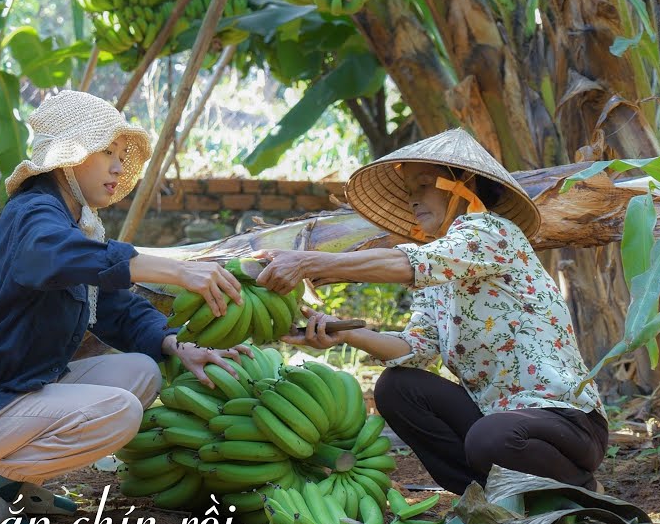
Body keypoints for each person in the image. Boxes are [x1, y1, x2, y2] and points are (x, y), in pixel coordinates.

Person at [0, 90, 248, 524]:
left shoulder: (76, 224)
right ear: (68, 158)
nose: (118, 166)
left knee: (143, 372)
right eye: (106, 151)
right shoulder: (33, 214)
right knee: (120, 412)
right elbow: (55, 254)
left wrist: (177, 344)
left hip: (15, 395)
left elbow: (117, 309)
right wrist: (178, 271)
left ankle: (8, 485)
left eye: (121, 155)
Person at [254, 128, 607, 495]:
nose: (413, 200)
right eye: (409, 192)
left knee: (490, 438)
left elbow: (413, 262)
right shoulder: (440, 277)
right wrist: (342, 333)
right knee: (397, 387)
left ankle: (579, 489)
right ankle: (494, 497)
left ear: (463, 183)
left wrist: (309, 262)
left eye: (422, 186)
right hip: (497, 420)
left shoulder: (491, 231)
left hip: (565, 421)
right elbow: (415, 347)